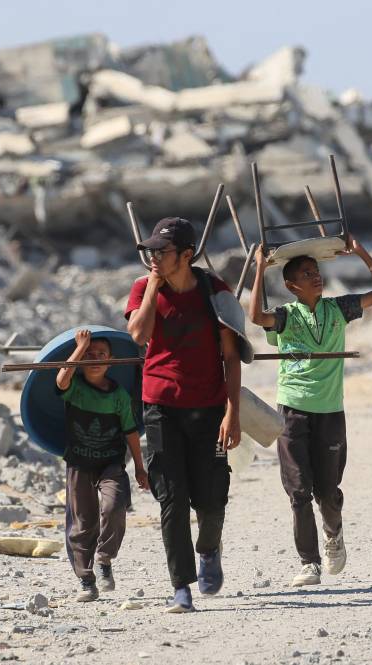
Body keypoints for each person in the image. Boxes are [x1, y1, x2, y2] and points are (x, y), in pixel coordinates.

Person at [248, 234, 372, 587]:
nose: (316, 277)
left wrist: (361, 251)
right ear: (291, 285)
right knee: (299, 490)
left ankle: (334, 532)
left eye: (317, 271)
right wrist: (258, 269)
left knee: (327, 492)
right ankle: (309, 562)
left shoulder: (338, 309)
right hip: (292, 411)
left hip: (330, 411)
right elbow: (255, 317)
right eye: (307, 273)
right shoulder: (285, 317)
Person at [125, 217, 242, 613]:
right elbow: (138, 336)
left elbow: (231, 356)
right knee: (171, 498)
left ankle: (209, 547)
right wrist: (154, 286)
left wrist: (233, 412)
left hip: (209, 408)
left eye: (163, 251)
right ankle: (181, 588)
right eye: (151, 251)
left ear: (187, 255)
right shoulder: (144, 288)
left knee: (211, 498)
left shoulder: (214, 291)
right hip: (161, 407)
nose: (154, 258)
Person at [56, 329, 149, 602]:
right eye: (89, 355)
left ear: (111, 361)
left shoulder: (118, 395)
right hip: (79, 464)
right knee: (83, 523)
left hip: (111, 463)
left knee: (114, 506)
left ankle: (104, 559)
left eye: (101, 355)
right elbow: (61, 380)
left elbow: (131, 431)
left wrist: (140, 469)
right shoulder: (75, 388)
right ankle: (86, 579)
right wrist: (79, 347)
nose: (95, 359)